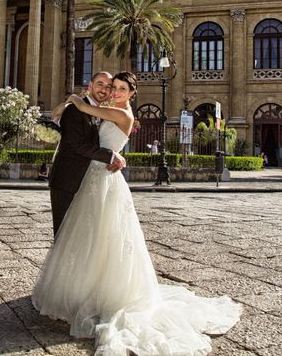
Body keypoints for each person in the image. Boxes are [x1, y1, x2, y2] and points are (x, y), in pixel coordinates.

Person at [32, 72, 241, 355]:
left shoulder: (122, 114)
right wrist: (65, 105)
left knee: (105, 236)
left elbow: (84, 110)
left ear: (132, 93)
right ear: (95, 87)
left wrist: (72, 100)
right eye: (110, 87)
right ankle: (82, 288)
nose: (114, 92)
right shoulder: (110, 109)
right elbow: (81, 121)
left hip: (103, 178)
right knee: (87, 237)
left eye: (120, 88)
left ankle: (100, 293)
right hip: (90, 176)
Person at [47, 71, 125, 236]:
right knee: (63, 235)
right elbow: (77, 145)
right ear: (90, 86)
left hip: (87, 181)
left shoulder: (98, 112)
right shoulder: (74, 109)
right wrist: (111, 156)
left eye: (108, 86)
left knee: (79, 237)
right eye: (100, 84)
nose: (103, 90)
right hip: (67, 180)